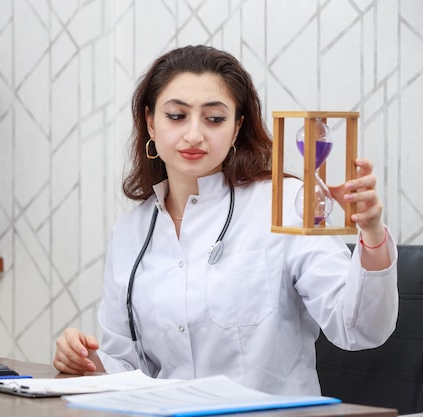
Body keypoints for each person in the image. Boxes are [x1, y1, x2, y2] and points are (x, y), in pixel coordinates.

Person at [53, 45, 398, 396]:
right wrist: (86, 360)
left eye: (214, 119)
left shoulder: (285, 203)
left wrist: (370, 235)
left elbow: (359, 329)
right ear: (150, 122)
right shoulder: (131, 232)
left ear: (236, 129)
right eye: (176, 116)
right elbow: (126, 365)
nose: (193, 135)